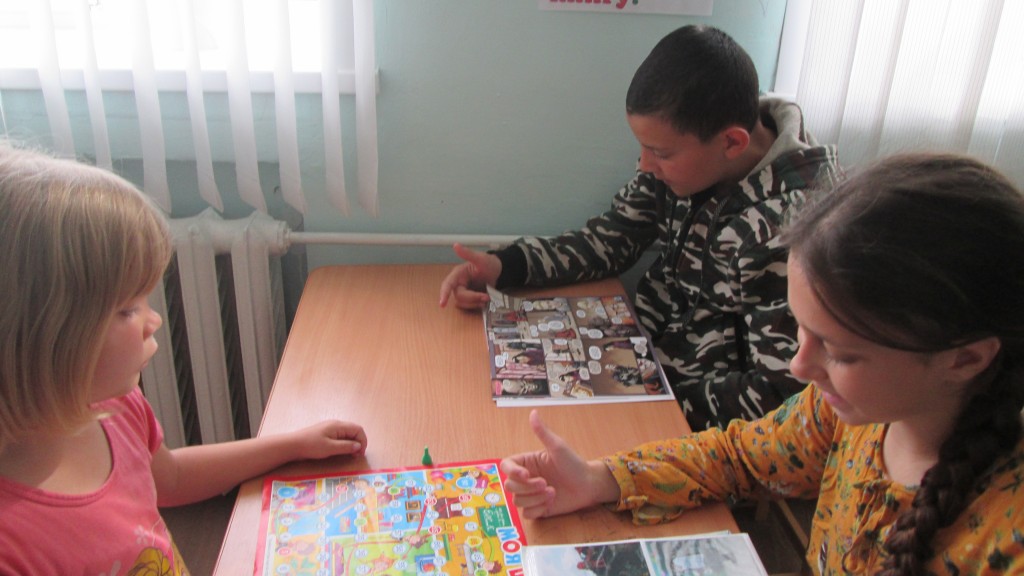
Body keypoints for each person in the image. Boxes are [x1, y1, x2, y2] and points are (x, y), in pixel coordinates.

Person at [500, 154, 1024, 574]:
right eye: (801, 330)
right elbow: (739, 457)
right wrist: (600, 479)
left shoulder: (1005, 536)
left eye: (841, 353)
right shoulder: (848, 413)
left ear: (966, 359)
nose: (799, 366)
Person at [439, 25, 840, 430]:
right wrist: (503, 266)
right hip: (642, 369)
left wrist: (653, 403)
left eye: (660, 153)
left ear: (732, 143)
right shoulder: (689, 156)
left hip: (701, 422)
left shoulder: (792, 230)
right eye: (643, 147)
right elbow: (609, 241)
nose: (645, 165)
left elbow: (781, 394)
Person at [0, 143, 368, 574]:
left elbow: (170, 477)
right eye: (127, 309)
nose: (153, 320)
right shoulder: (12, 543)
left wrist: (293, 444)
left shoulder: (113, 406)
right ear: (44, 333)